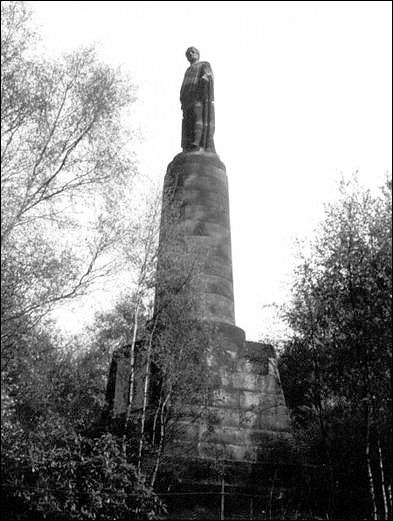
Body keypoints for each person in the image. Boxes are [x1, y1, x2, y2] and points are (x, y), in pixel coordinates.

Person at [180, 47, 215, 152]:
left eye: (192, 52)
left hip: (198, 96)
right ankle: (188, 144)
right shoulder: (188, 70)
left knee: (197, 118)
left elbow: (209, 75)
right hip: (187, 98)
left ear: (197, 54)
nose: (190, 54)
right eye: (188, 53)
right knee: (188, 121)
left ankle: (197, 142)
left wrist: (205, 78)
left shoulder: (203, 64)